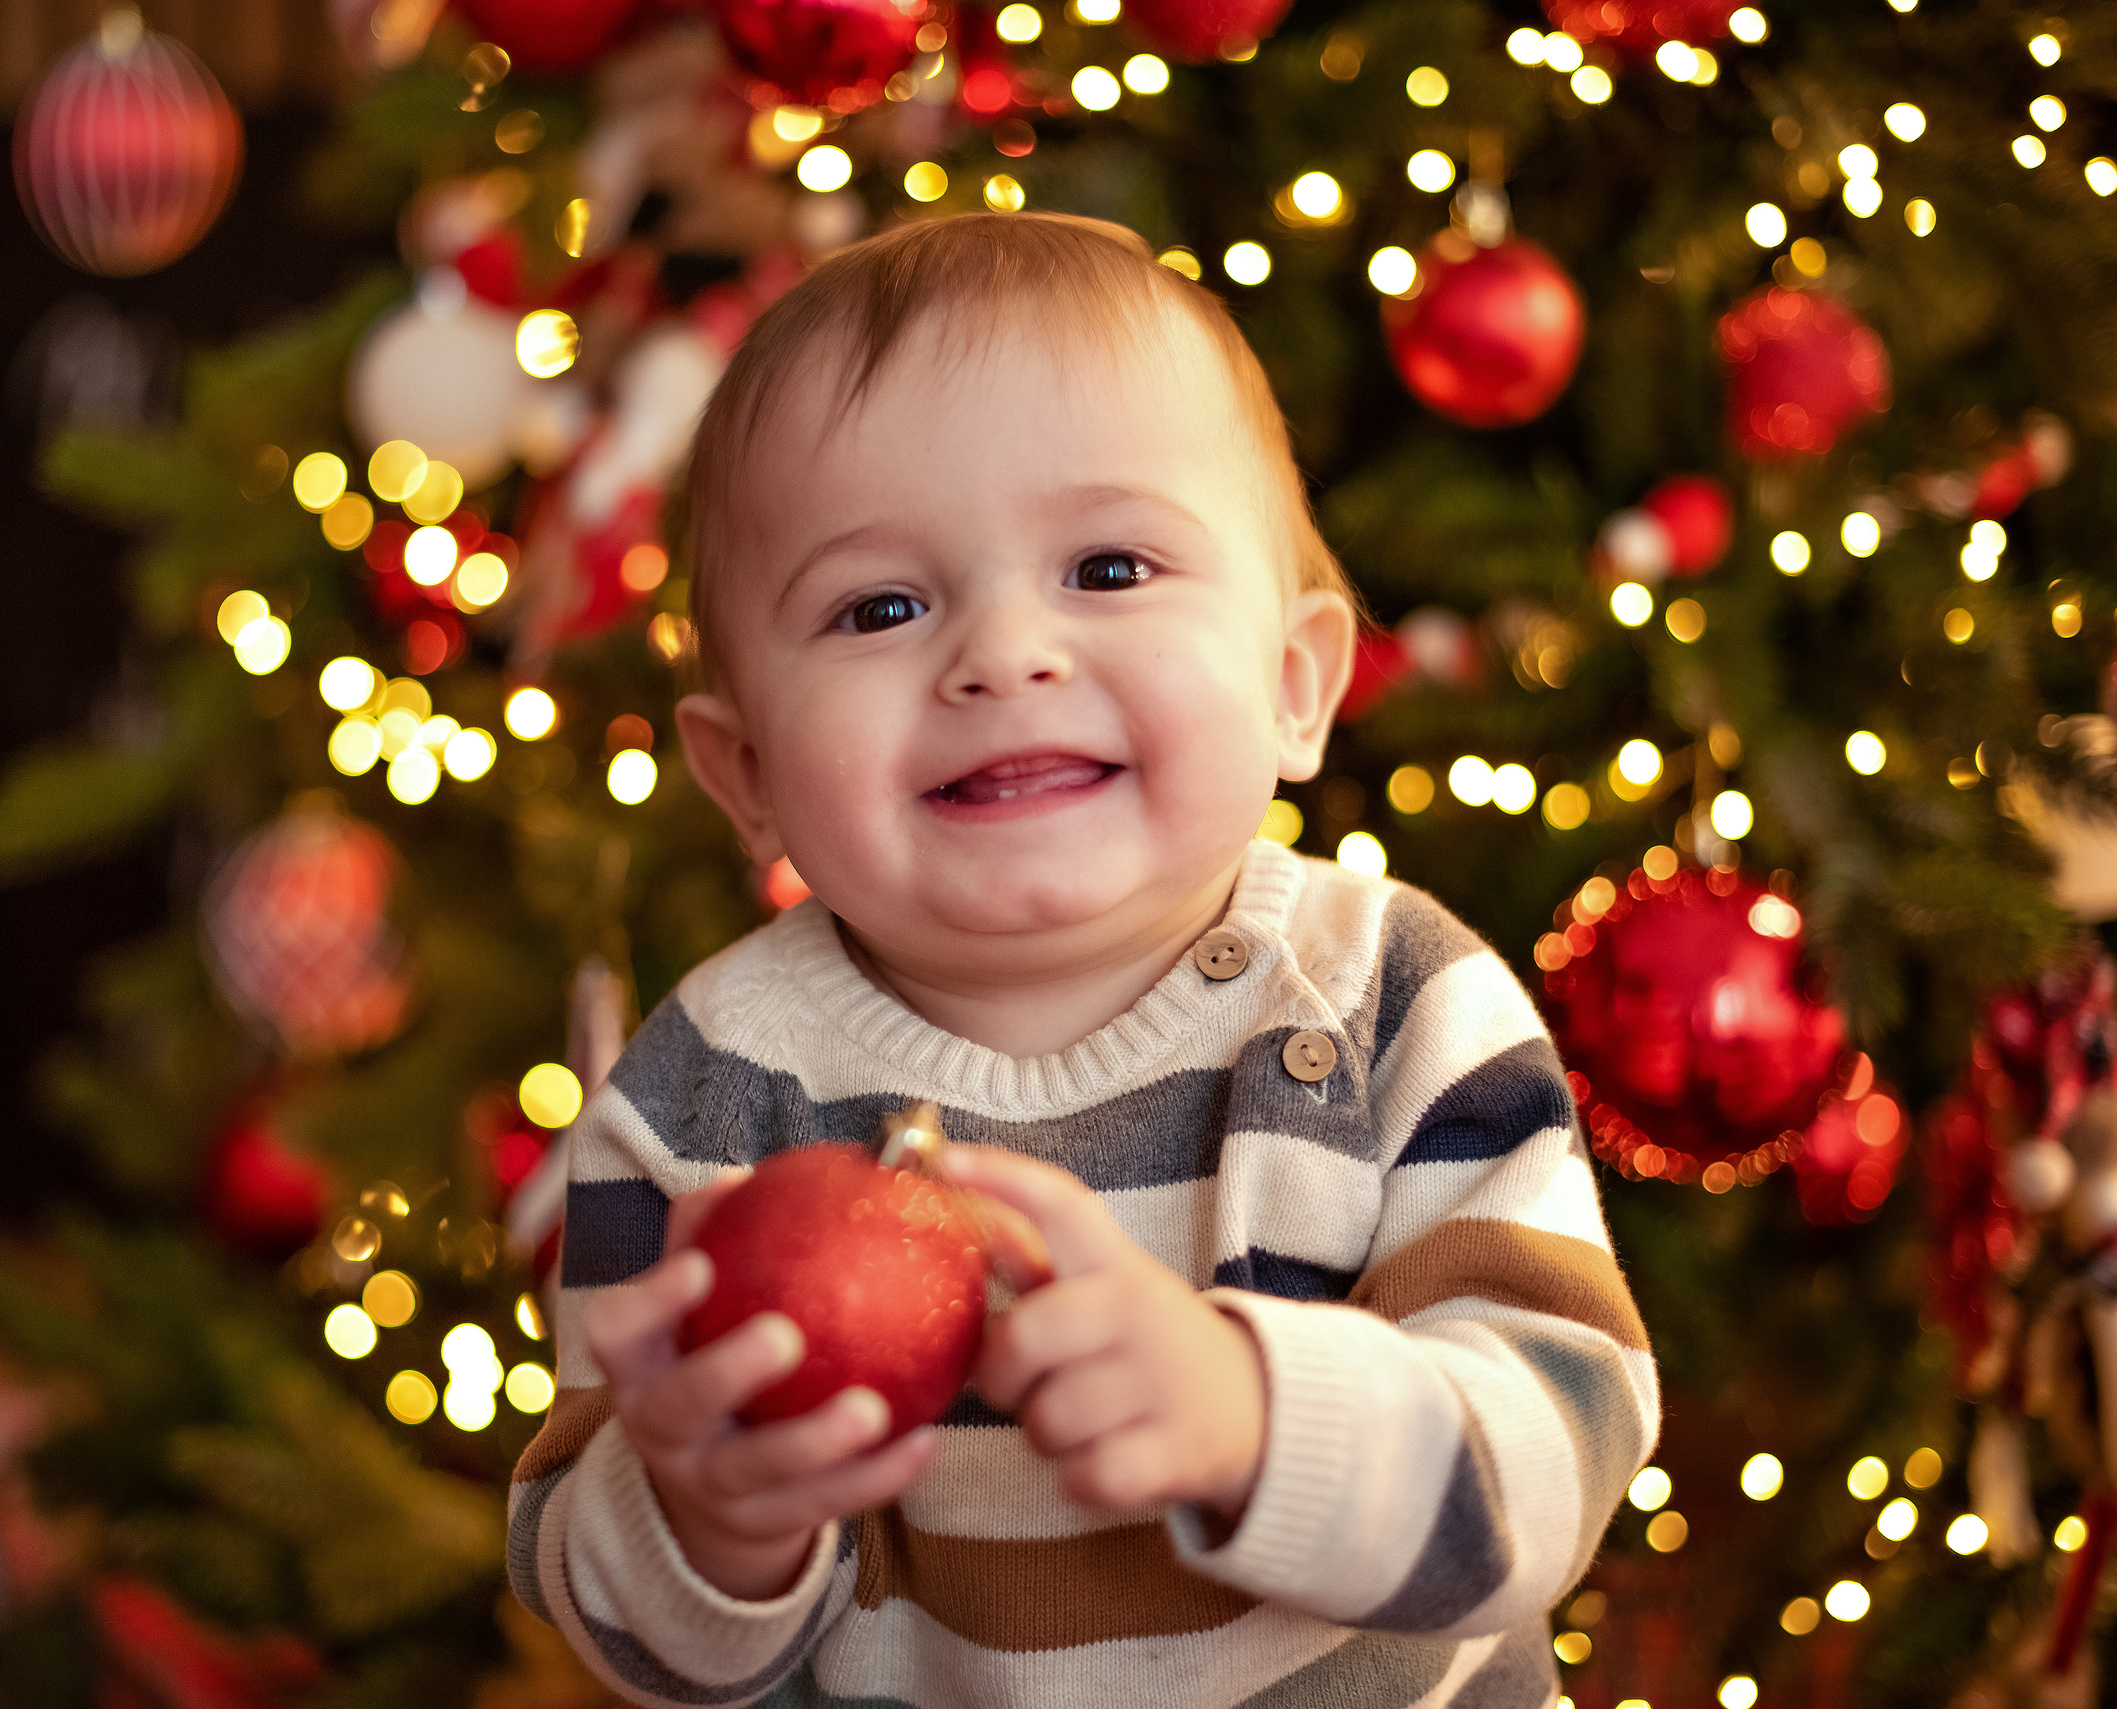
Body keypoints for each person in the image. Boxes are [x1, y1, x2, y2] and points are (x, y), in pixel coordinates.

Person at [508, 212, 1658, 1709]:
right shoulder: (703, 1097)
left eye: (1109, 567)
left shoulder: (1392, 1000)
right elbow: (606, 1604)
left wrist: (1259, 1413)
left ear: (1295, 686)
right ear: (749, 776)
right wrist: (705, 1521)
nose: (1005, 653)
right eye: (880, 607)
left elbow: (1564, 1442)